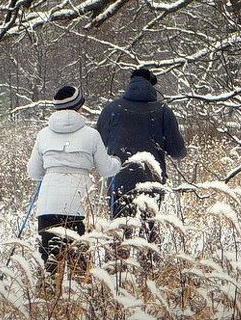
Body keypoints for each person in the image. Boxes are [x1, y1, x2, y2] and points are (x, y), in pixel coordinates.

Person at [27, 85, 121, 281]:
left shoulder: (43, 135)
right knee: (79, 261)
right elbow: (106, 169)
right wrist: (117, 161)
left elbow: (34, 172)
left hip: (48, 205)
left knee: (50, 262)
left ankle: (48, 302)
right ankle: (80, 305)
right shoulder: (91, 135)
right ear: (79, 106)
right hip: (78, 204)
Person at [97, 66, 186, 244]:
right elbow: (177, 151)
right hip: (151, 180)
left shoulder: (112, 109)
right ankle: (149, 267)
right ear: (152, 85)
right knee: (149, 230)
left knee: (120, 232)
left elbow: (98, 143)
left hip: (119, 179)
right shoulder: (163, 111)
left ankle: (117, 268)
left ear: (130, 83)